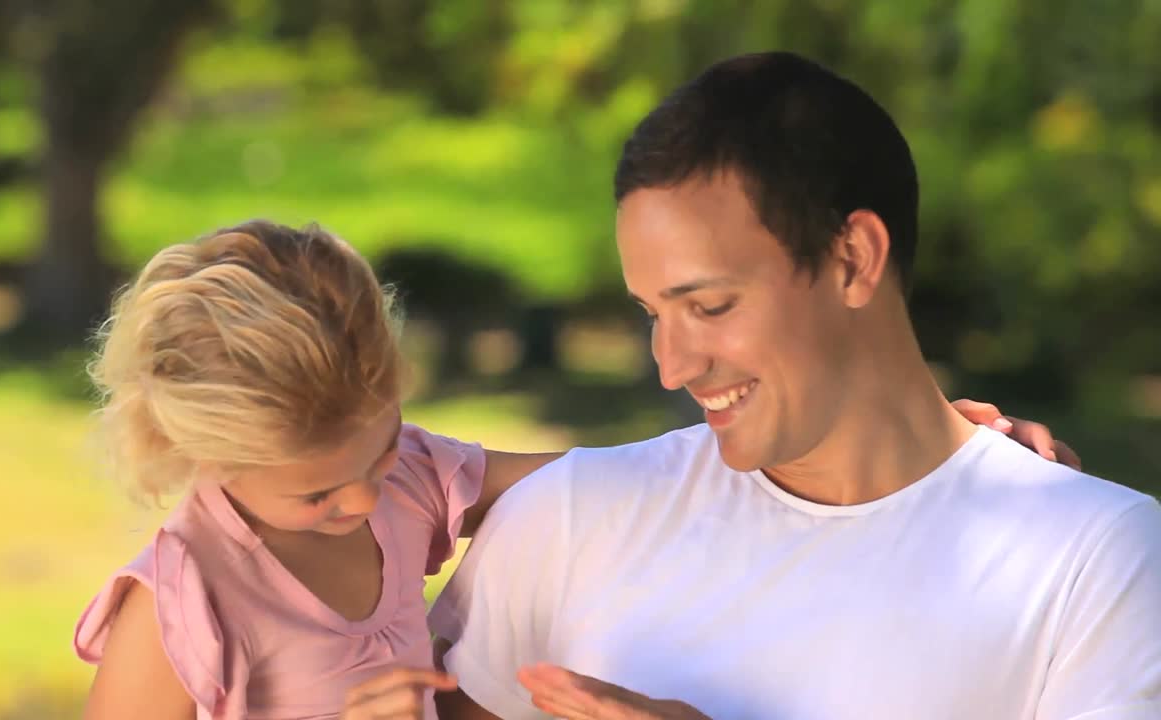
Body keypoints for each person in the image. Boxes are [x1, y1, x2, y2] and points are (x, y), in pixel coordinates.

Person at [74, 220, 1065, 720]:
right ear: (202, 454)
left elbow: (640, 481)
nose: (370, 499)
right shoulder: (177, 612)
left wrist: (910, 442)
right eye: (320, 492)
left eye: (381, 450)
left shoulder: (404, 480)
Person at [428, 52, 1161, 720]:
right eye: (652, 312)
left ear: (852, 259)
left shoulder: (1098, 560)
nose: (672, 366)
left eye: (709, 307)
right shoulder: (562, 525)